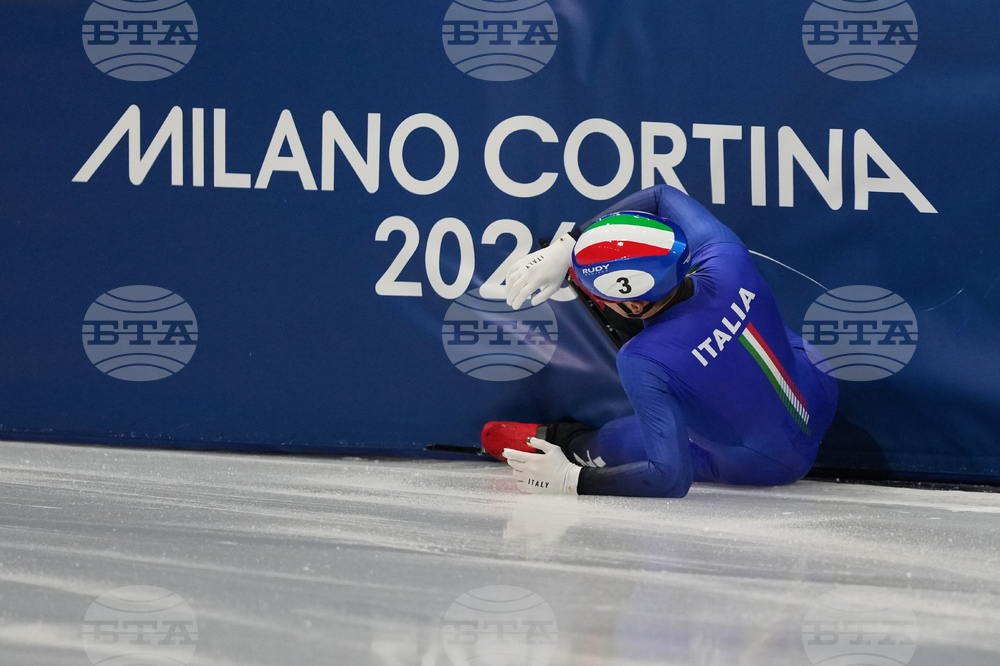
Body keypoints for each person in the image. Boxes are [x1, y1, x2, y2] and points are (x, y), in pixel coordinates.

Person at [482, 185, 838, 498]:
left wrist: (573, 479)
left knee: (614, 442)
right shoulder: (725, 253)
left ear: (634, 303)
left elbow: (670, 478)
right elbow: (662, 196)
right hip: (819, 391)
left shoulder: (643, 358)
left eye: (598, 299)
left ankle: (566, 440)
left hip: (771, 464)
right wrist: (570, 245)